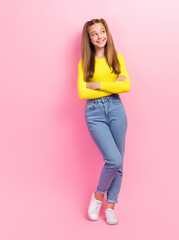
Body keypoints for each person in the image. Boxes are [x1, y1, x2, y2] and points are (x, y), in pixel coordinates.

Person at [77, 18, 130, 225]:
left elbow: (125, 87)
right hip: (94, 112)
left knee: (120, 162)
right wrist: (112, 84)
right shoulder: (84, 62)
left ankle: (111, 206)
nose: (100, 37)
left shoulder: (117, 59)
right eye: (94, 34)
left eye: (102, 32)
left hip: (116, 109)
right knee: (113, 160)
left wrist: (97, 84)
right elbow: (82, 92)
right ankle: (99, 196)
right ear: (89, 39)